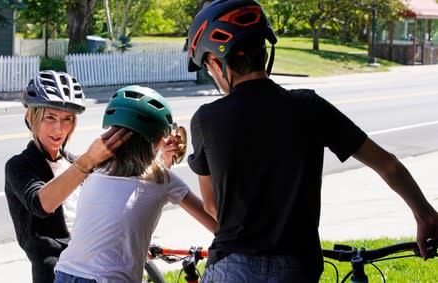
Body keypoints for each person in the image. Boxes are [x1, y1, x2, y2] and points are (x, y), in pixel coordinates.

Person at [186, 1, 438, 282]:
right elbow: (387, 164)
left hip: (233, 267)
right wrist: (425, 215)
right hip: (297, 267)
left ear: (219, 63)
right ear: (264, 52)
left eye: (208, 66)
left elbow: (212, 208)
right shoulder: (309, 106)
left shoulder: (206, 119)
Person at [53, 85, 217, 282]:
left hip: (66, 273)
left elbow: (129, 195)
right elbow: (215, 224)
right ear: (158, 139)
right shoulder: (164, 180)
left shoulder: (94, 167)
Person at [4, 70, 133, 283]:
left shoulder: (73, 162)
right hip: (55, 273)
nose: (59, 128)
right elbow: (41, 203)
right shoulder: (19, 165)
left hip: (95, 264)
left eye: (67, 119)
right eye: (50, 117)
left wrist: (163, 157)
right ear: (30, 117)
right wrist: (87, 162)